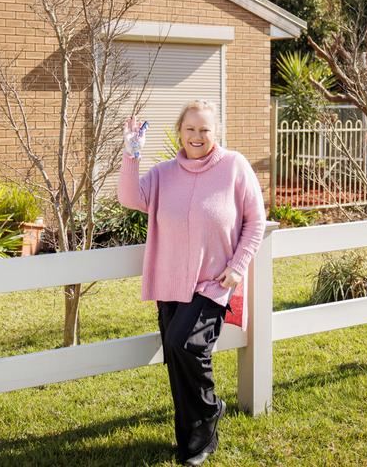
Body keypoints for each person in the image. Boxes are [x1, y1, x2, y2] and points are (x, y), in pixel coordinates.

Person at [117, 99, 267, 466]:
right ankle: (193, 443)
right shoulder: (164, 173)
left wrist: (238, 265)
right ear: (179, 132)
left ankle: (210, 411)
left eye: (205, 129)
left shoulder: (234, 166)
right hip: (170, 282)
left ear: (216, 133)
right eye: (190, 129)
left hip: (213, 283)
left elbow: (256, 221)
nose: (197, 136)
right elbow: (129, 197)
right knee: (176, 357)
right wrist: (131, 152)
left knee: (184, 345)